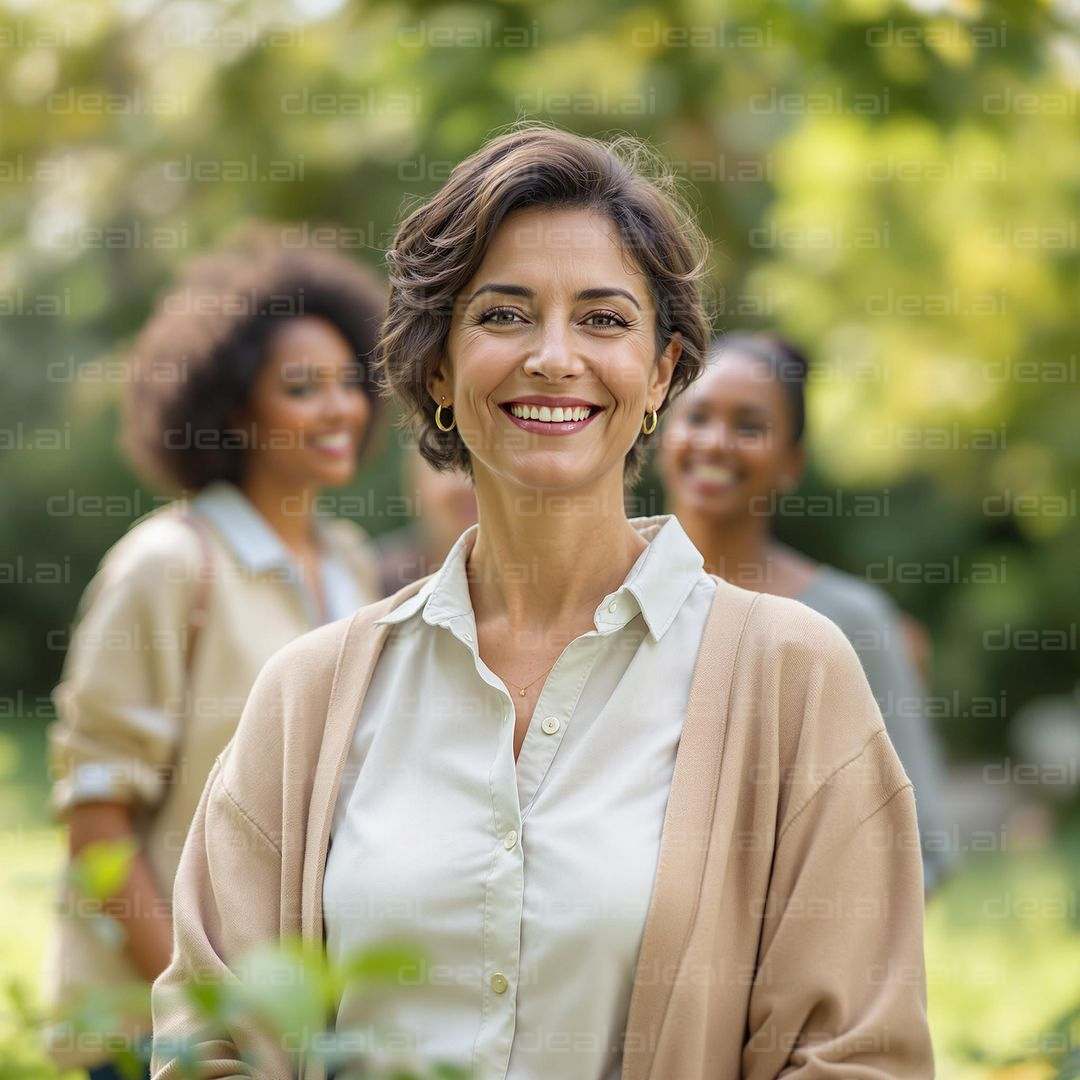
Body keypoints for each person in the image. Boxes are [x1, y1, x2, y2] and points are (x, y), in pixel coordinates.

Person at [151, 126, 933, 1080]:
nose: (555, 357)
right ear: (438, 369)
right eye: (506, 315)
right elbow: (211, 1038)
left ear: (660, 376)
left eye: (604, 320)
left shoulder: (794, 679)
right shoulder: (308, 698)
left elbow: (854, 1058)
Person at [43, 222, 387, 1080]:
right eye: (302, 387)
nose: (340, 407)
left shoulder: (351, 563)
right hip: (162, 1035)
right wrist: (199, 1011)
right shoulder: (166, 566)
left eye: (348, 383)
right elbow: (96, 826)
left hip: (297, 1027)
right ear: (234, 407)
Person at [657, 331, 956, 895]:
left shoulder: (851, 621)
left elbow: (919, 847)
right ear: (661, 431)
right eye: (697, 417)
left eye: (749, 426)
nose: (717, 443)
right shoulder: (606, 600)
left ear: (792, 462)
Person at [370, 447, 479, 595]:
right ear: (414, 484)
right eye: (448, 466)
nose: (467, 485)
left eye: (481, 467)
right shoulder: (375, 579)